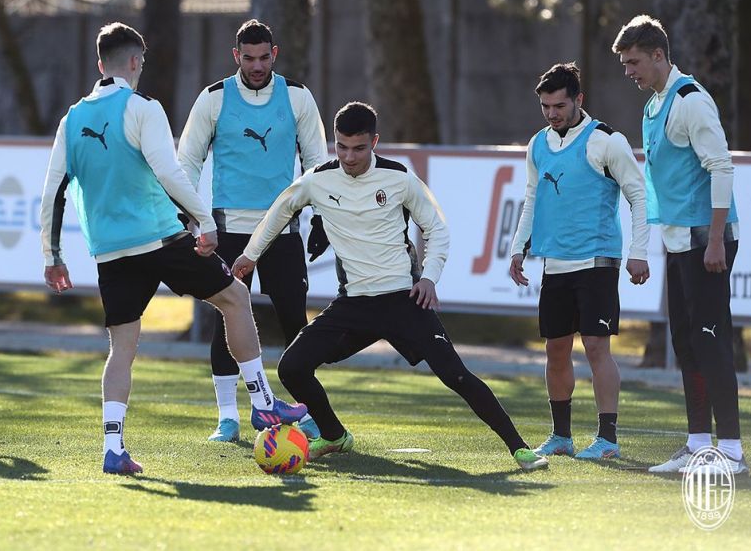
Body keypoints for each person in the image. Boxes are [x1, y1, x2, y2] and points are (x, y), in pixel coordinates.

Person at [39, 22, 307, 475]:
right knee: (236, 298)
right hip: (160, 238)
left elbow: (53, 193)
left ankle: (113, 448)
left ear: (100, 64)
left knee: (121, 347)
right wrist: (203, 221)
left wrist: (53, 257)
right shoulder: (143, 107)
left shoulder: (72, 119)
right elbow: (169, 172)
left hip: (109, 251)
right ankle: (262, 404)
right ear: (135, 64)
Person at [233, 102, 549, 471]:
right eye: (342, 147)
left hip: (404, 300)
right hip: (353, 306)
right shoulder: (317, 179)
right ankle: (334, 435)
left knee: (456, 375)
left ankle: (520, 448)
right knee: (292, 367)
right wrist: (250, 254)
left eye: (359, 148)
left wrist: (429, 276)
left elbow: (437, 229)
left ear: (375, 142)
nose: (349, 157)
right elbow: (279, 212)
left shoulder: (400, 178)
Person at [178, 19, 328, 443]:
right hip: (228, 231)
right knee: (227, 318)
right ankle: (228, 417)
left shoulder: (298, 97)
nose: (257, 65)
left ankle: (310, 413)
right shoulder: (213, 99)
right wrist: (189, 214)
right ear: (236, 56)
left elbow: (317, 162)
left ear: (274, 54)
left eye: (264, 57)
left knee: (295, 325)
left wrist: (319, 216)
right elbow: (187, 161)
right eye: (249, 58)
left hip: (282, 230)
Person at [612, 15, 746, 474]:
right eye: (625, 64)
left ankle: (731, 452)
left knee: (711, 342)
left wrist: (714, 242)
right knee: (687, 343)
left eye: (634, 62)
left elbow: (721, 168)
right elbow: (658, 184)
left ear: (658, 55)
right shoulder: (653, 104)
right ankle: (697, 444)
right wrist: (648, 247)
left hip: (706, 241)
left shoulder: (690, 100)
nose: (628, 71)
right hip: (678, 240)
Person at [508, 63, 650, 460]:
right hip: (555, 264)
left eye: (559, 105)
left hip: (597, 260)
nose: (552, 113)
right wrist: (519, 247)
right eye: (545, 106)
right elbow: (532, 198)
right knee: (555, 349)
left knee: (595, 347)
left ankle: (607, 440)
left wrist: (638, 253)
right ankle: (561, 437)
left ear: (578, 100)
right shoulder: (537, 144)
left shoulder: (606, 141)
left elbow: (638, 196)